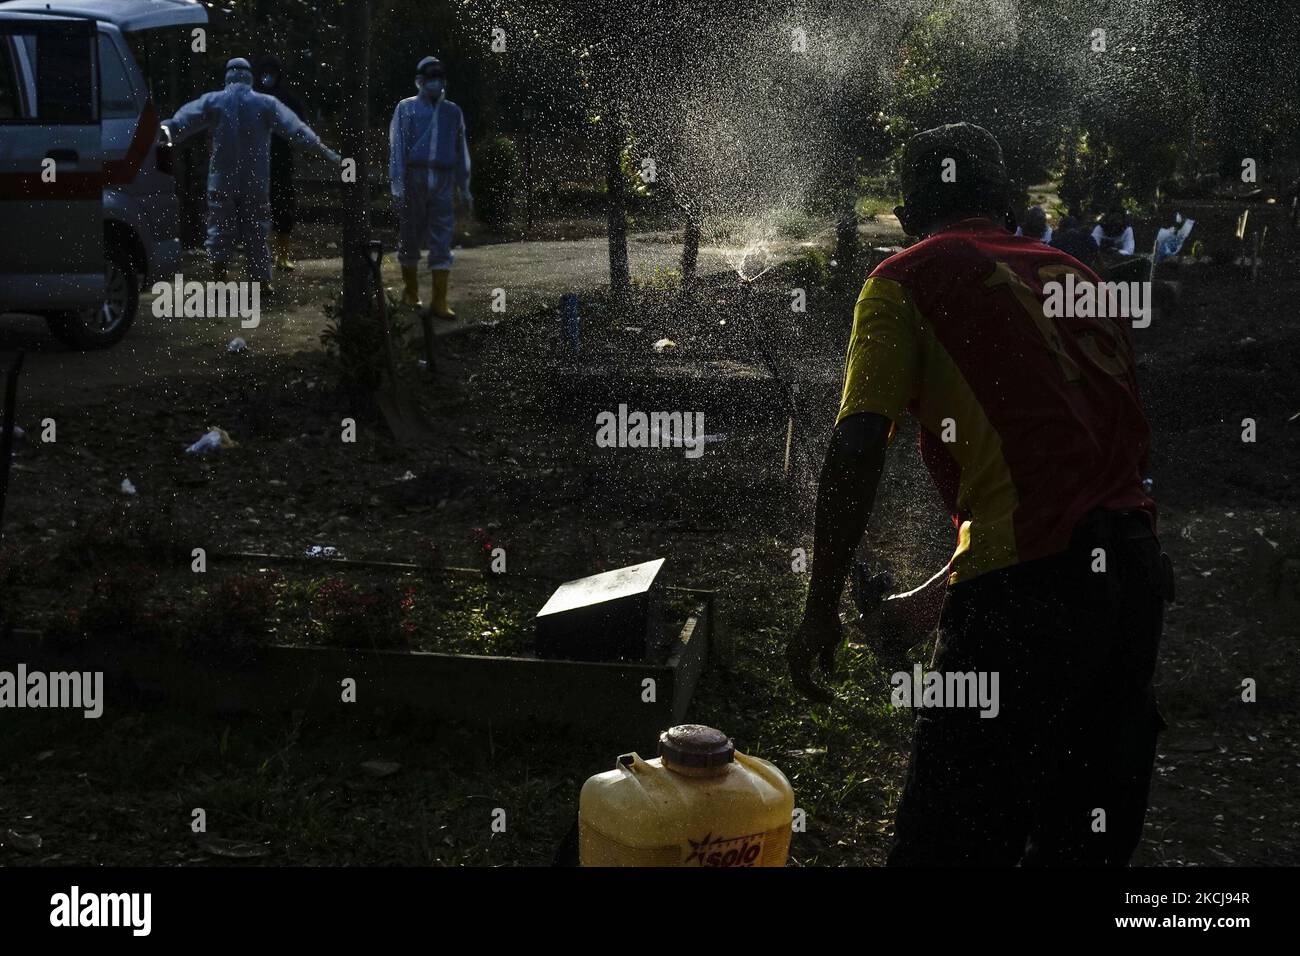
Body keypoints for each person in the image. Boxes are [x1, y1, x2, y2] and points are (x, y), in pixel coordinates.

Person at [786, 122, 1171, 866]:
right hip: (1132, 592)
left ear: (904, 218)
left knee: (949, 848)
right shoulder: (1079, 279)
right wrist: (927, 605)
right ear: (1010, 202)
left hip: (1023, 613)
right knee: (1078, 845)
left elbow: (860, 444)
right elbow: (1070, 491)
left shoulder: (903, 279)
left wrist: (820, 606)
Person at [163, 58, 342, 290]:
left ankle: (219, 277)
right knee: (256, 229)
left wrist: (159, 134)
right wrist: (327, 152)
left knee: (219, 227)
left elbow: (181, 122)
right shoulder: (265, 103)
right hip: (254, 179)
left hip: (222, 177)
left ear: (227, 75)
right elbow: (297, 131)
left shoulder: (215, 101)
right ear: (250, 75)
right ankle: (261, 280)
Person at [389, 56, 473, 318]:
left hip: (444, 178)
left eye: (439, 76)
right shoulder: (407, 108)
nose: (436, 82)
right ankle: (411, 293)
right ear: (421, 81)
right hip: (414, 176)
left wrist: (464, 186)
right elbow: (397, 148)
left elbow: (461, 152)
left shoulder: (452, 111)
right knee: (410, 234)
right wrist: (397, 186)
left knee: (442, 237)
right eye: (431, 77)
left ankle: (439, 300)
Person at [254, 55, 307, 272]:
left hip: (281, 162)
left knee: (283, 207)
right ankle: (260, 255)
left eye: (272, 73)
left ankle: (282, 255)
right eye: (264, 72)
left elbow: (301, 126)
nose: (268, 77)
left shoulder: (288, 99)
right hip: (255, 162)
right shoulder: (252, 98)